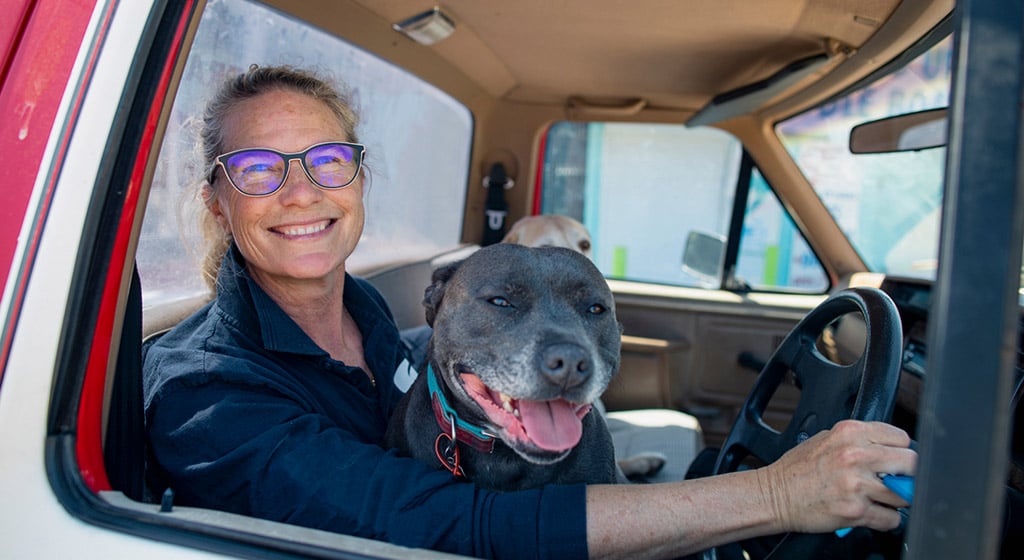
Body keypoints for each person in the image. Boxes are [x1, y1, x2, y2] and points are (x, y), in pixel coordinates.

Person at [143, 64, 917, 559]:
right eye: (256, 169)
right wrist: (778, 494)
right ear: (215, 197)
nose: (301, 190)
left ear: (358, 178)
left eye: (327, 160)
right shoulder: (204, 394)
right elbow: (458, 526)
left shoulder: (376, 319)